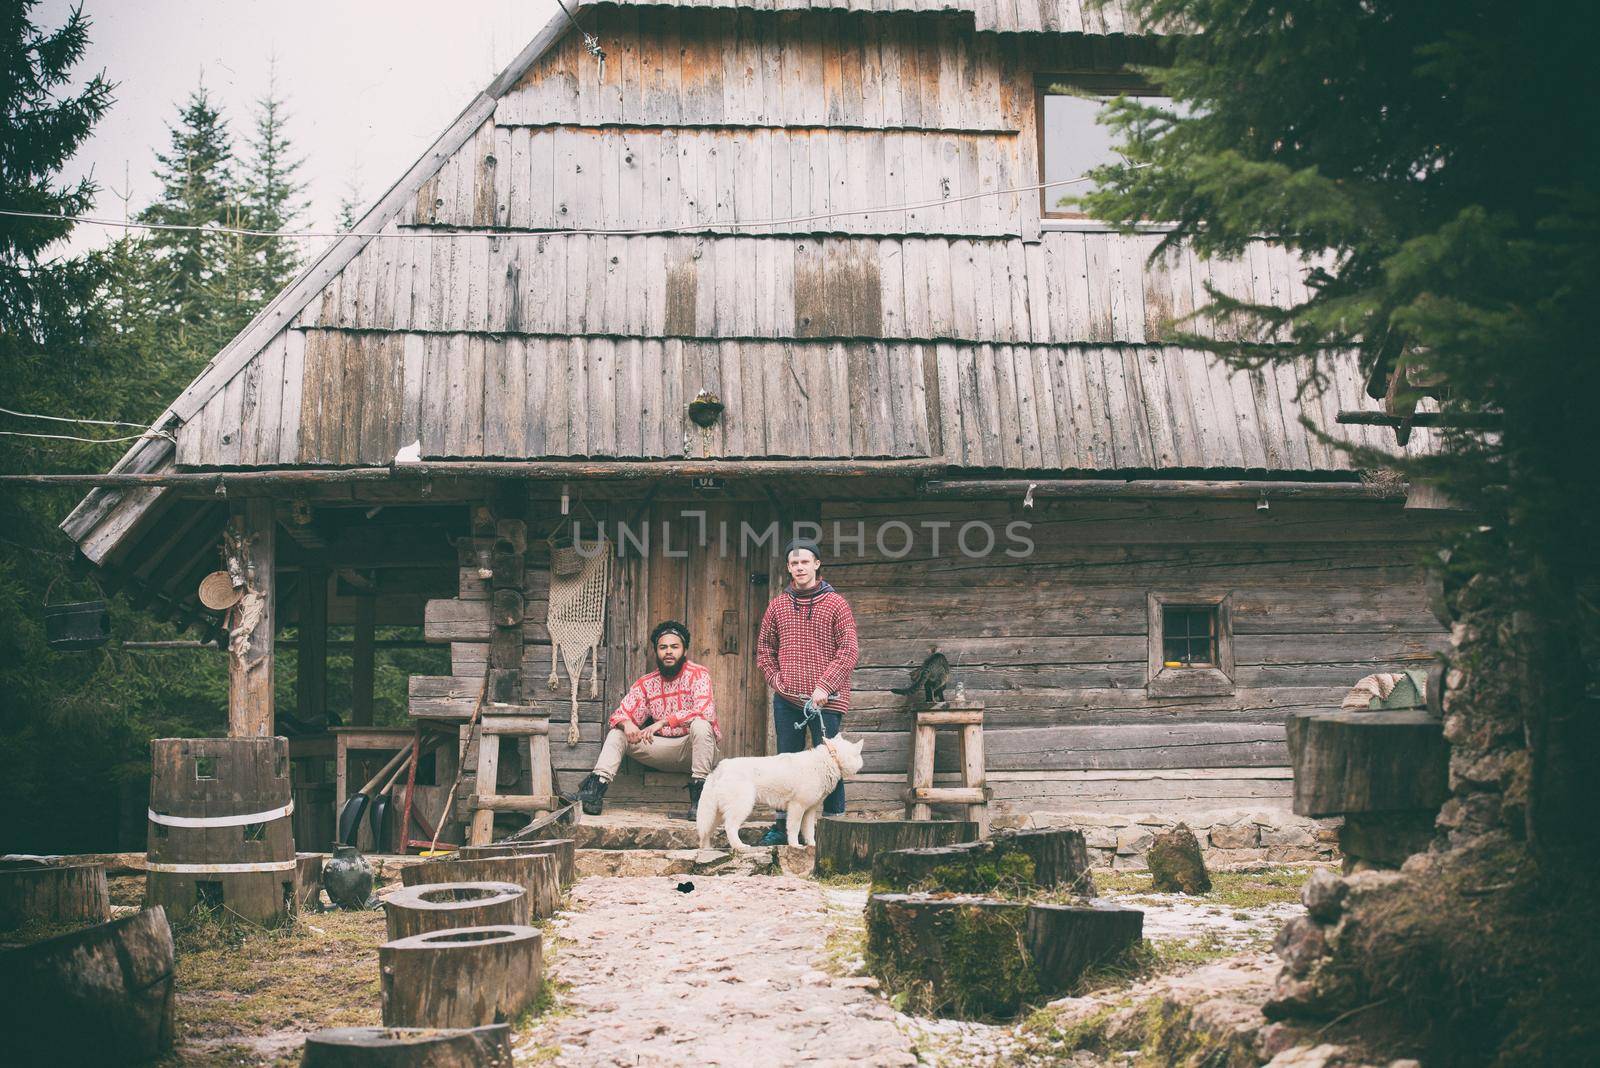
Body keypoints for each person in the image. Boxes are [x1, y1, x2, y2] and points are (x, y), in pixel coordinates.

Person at [754, 536, 860, 846]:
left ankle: (834, 828)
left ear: (816, 564)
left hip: (828, 700)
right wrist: (775, 679)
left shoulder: (836, 604)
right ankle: (782, 827)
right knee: (787, 764)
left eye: (805, 561)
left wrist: (825, 686)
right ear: (788, 568)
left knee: (831, 765)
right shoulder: (778, 606)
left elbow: (849, 649)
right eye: (794, 563)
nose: (799, 567)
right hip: (788, 702)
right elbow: (764, 649)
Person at [577, 620, 719, 819]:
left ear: (684, 650)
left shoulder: (698, 674)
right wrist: (627, 724)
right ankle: (595, 791)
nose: (669, 651)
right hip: (660, 749)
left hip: (693, 750)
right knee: (618, 733)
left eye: (674, 646)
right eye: (663, 647)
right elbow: (619, 714)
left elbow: (705, 712)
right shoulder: (647, 683)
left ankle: (699, 802)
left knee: (702, 725)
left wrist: (662, 722)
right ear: (657, 652)